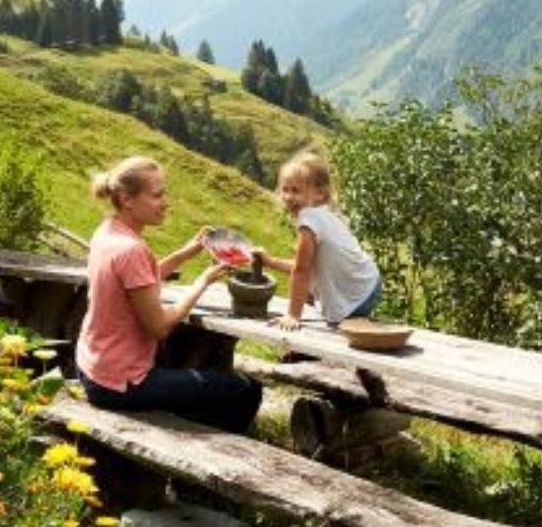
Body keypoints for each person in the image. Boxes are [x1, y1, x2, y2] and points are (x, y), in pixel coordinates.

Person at [75, 156, 263, 433]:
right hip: (121, 383)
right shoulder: (131, 250)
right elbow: (160, 327)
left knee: (197, 380)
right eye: (157, 195)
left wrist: (186, 253)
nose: (166, 202)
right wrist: (203, 281)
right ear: (127, 199)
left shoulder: (107, 233)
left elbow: (139, 280)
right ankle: (214, 459)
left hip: (93, 368)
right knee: (247, 390)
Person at [255, 152, 382, 331]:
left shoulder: (309, 220)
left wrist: (293, 315)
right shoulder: (325, 214)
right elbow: (309, 266)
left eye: (296, 191)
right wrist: (270, 262)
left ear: (320, 194)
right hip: (367, 283)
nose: (289, 197)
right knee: (322, 312)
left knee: (331, 329)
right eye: (286, 189)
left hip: (356, 295)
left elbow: (302, 271)